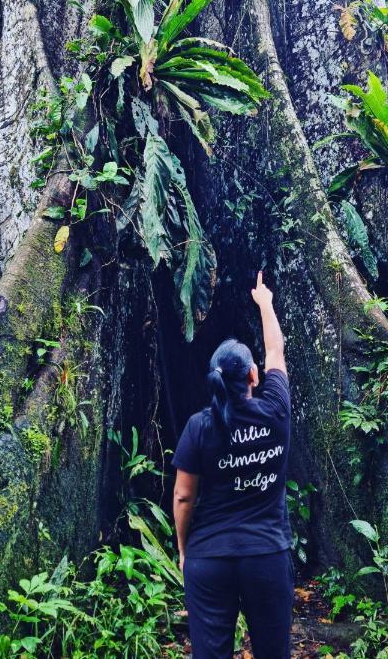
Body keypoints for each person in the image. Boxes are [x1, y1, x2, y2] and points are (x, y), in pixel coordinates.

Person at [172, 270, 293, 659]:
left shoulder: (199, 427)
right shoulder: (276, 409)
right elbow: (276, 351)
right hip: (266, 557)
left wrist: (184, 549)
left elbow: (184, 497)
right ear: (253, 376)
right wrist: (265, 303)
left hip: (210, 560)